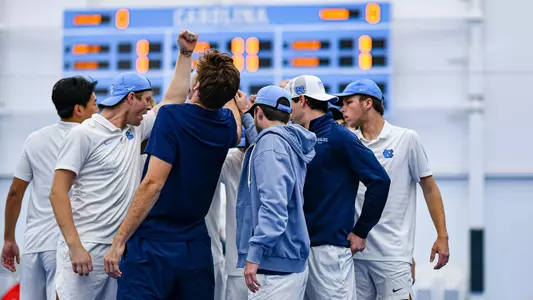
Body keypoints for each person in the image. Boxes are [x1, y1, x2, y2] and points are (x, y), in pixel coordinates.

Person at [49, 30, 199, 300]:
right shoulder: (84, 133)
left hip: (118, 252)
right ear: (130, 98)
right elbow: (58, 192)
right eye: (146, 99)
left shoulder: (135, 130)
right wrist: (74, 247)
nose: (149, 106)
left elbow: (173, 101)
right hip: (85, 248)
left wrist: (185, 54)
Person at [103, 47, 245, 300]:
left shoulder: (171, 116)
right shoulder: (225, 125)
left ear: (196, 86)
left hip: (153, 245)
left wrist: (119, 241)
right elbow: (236, 127)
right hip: (196, 247)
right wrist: (233, 99)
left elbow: (153, 184)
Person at [336, 79, 450, 300]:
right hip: (354, 255)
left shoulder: (406, 139)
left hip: (393, 256)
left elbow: (429, 188)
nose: (342, 109)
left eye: (349, 102)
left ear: (368, 103)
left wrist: (442, 236)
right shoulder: (348, 141)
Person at [284, 75, 391, 300]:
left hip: (329, 253)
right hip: (300, 251)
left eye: (290, 102)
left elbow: (380, 181)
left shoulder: (339, 137)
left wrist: (361, 231)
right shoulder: (301, 138)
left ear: (302, 100)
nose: (288, 110)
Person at [1, 76, 98, 300]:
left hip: (33, 247)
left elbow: (15, 192)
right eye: (94, 104)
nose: (98, 109)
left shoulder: (34, 139)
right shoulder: (93, 140)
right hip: (66, 248)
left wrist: (8, 239)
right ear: (79, 109)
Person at [236, 85, 317, 300]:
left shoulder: (271, 145)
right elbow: (263, 142)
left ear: (259, 113)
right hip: (287, 262)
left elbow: (274, 206)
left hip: (274, 266)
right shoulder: (284, 140)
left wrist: (254, 255)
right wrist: (247, 113)